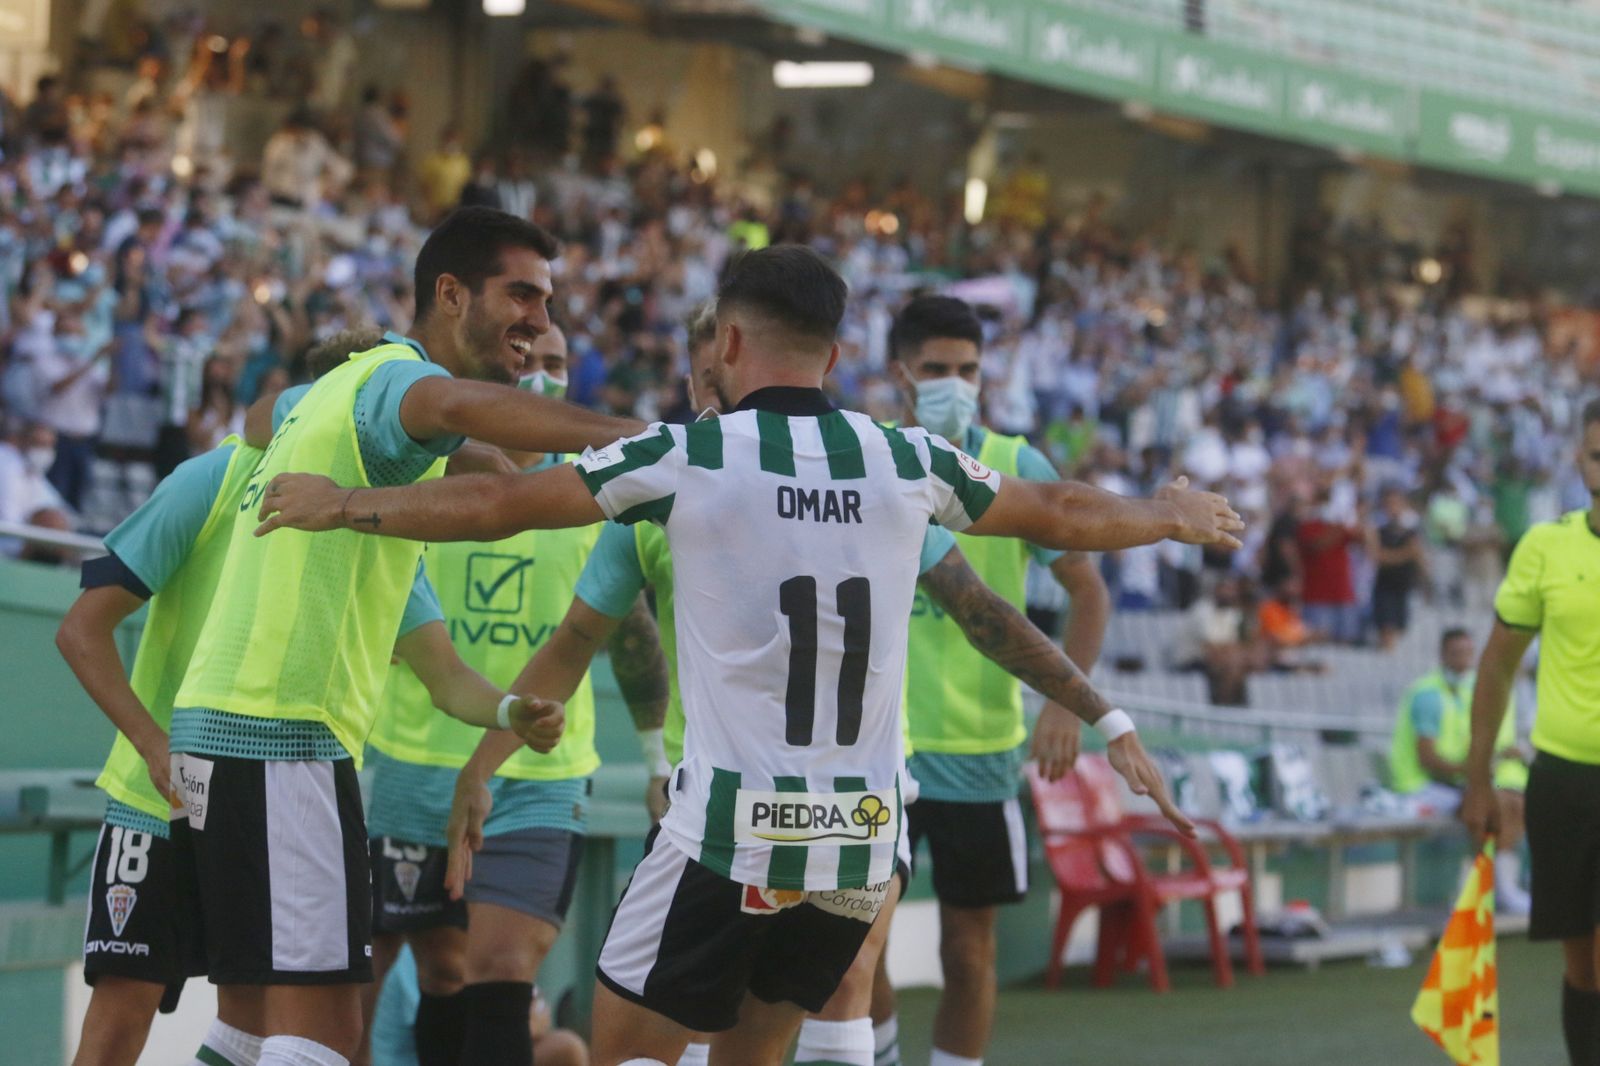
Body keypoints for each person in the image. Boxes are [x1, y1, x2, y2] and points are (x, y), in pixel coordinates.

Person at [255, 245, 1242, 1066]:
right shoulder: (905, 459)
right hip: (859, 835)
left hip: (728, 833)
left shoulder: (692, 453)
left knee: (624, 1051)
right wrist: (1164, 514)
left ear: (727, 342)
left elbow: (498, 502)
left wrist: (344, 504)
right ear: (837, 350)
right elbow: (1058, 511)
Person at [163, 208, 642, 1066]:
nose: (537, 319)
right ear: (451, 296)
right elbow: (461, 418)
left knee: (247, 1028)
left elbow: (267, 415)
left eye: (548, 300)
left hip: (223, 730)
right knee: (326, 1033)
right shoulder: (401, 382)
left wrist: (505, 708)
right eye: (520, 294)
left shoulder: (351, 401)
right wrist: (650, 441)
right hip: (281, 736)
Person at [53, 328, 567, 1066]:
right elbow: (80, 631)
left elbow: (444, 674)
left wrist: (512, 712)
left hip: (257, 780)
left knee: (262, 1023)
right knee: (125, 1019)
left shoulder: (372, 515)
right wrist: (150, 743)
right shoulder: (214, 477)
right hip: (159, 793)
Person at [359, 325, 671, 1066]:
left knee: (500, 967)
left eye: (560, 364)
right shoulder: (426, 480)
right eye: (532, 359)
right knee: (438, 968)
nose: (544, 374)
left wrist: (658, 760)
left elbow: (631, 639)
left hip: (539, 775)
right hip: (413, 764)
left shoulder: (601, 496)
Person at [872, 294, 1110, 1066]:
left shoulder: (1016, 464)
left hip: (982, 755)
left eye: (967, 370)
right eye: (937, 369)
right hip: (881, 754)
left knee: (969, 950)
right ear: (898, 374)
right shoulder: (866, 456)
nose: (954, 383)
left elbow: (1089, 590)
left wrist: (1063, 709)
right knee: (858, 944)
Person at [1463, 397, 1600, 1066]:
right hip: (1563, 779)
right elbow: (1495, 668)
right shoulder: (1546, 546)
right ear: (1581, 459)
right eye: (1599, 454)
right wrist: (1476, 776)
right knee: (1584, 965)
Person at [1388, 628, 1528, 913]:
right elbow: (1427, 758)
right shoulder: (1427, 694)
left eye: (1467, 652)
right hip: (1421, 786)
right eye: (1456, 652)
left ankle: (1501, 885)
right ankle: (1495, 888)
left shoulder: (1472, 688)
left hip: (1456, 782)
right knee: (1491, 806)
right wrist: (1474, 772)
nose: (1463, 658)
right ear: (1442, 655)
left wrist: (1495, 760)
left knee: (1515, 802)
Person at [371, 944, 588, 1066]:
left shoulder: (488, 947)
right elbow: (445, 1034)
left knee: (565, 1047)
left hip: (468, 1051)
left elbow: (539, 1014)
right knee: (566, 1048)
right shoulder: (422, 949)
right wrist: (525, 1026)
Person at [1369, 486, 1425, 651]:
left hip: (1404, 582)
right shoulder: (1377, 526)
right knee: (1386, 623)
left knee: (1401, 624)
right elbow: (1378, 556)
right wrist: (1404, 554)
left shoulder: (1411, 526)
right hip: (1384, 582)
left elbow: (1417, 552)